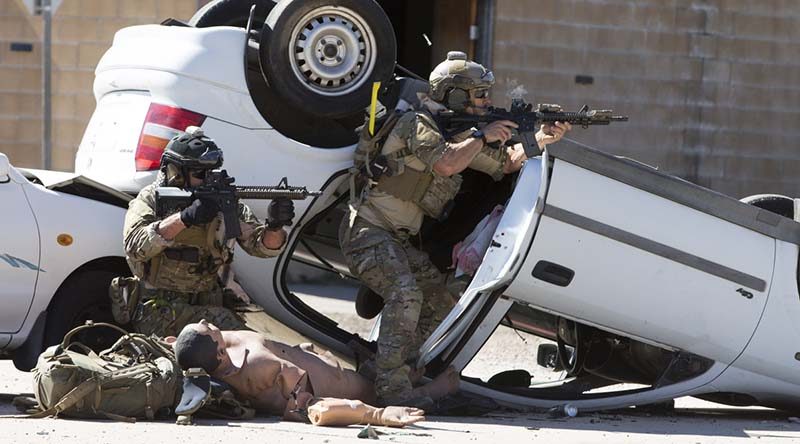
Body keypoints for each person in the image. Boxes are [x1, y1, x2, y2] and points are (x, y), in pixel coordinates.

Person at [339, 51, 572, 406]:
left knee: (443, 297)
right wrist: (482, 134)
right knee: (406, 293)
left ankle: (391, 369)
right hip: (367, 232)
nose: (487, 102)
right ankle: (393, 392)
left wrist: (540, 139)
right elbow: (447, 163)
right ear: (455, 95)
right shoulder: (414, 123)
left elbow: (506, 165)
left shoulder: (460, 135)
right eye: (480, 95)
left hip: (396, 240)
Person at [120, 126, 295, 337]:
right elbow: (134, 246)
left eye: (212, 171)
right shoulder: (150, 199)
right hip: (160, 311)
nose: (208, 178)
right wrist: (186, 218)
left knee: (257, 349)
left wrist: (275, 226)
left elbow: (261, 247)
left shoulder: (224, 203)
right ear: (176, 172)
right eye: (200, 173)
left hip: (210, 309)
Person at [173, 320, 458, 426]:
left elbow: (180, 347)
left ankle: (403, 381)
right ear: (220, 355)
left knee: (390, 368)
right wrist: (377, 415)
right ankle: (426, 392)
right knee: (391, 391)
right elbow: (311, 409)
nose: (205, 321)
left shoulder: (214, 348)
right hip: (347, 389)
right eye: (205, 329)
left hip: (333, 368)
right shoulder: (253, 370)